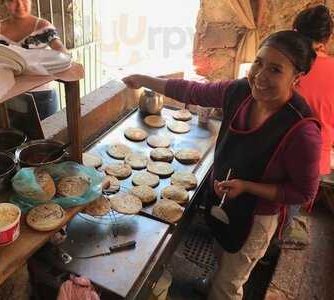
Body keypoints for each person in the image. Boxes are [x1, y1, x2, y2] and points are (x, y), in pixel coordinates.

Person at [123, 30, 321, 300]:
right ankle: (213, 282)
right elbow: (193, 91)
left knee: (230, 282)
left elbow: (305, 193)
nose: (260, 76)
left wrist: (248, 187)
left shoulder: (301, 131)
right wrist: (143, 79)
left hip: (256, 217)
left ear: (296, 78)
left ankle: (221, 289)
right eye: (258, 62)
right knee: (221, 251)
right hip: (224, 199)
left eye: (275, 69)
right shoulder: (240, 92)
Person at [0, 0, 68, 120]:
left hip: (42, 96)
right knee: (18, 136)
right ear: (5, 2)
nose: (20, 5)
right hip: (10, 96)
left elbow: (63, 55)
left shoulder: (43, 26)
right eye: (12, 1)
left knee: (47, 135)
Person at [294, 5, 334, 176]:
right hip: (314, 162)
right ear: (328, 38)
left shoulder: (282, 61)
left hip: (272, 153)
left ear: (294, 31)